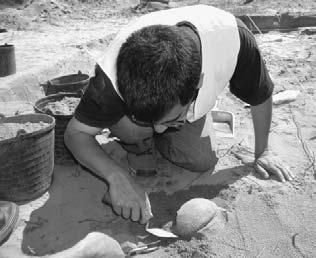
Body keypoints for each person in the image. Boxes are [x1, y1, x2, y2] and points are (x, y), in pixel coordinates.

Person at [64, 4, 293, 225]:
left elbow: (260, 94)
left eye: (170, 121)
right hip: (146, 104)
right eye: (152, 122)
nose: (159, 129)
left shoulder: (234, 40)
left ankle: (171, 120)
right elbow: (75, 134)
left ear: (198, 84)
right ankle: (139, 141)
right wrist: (116, 176)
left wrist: (263, 151)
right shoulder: (111, 76)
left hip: (203, 70)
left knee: (201, 160)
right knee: (133, 129)